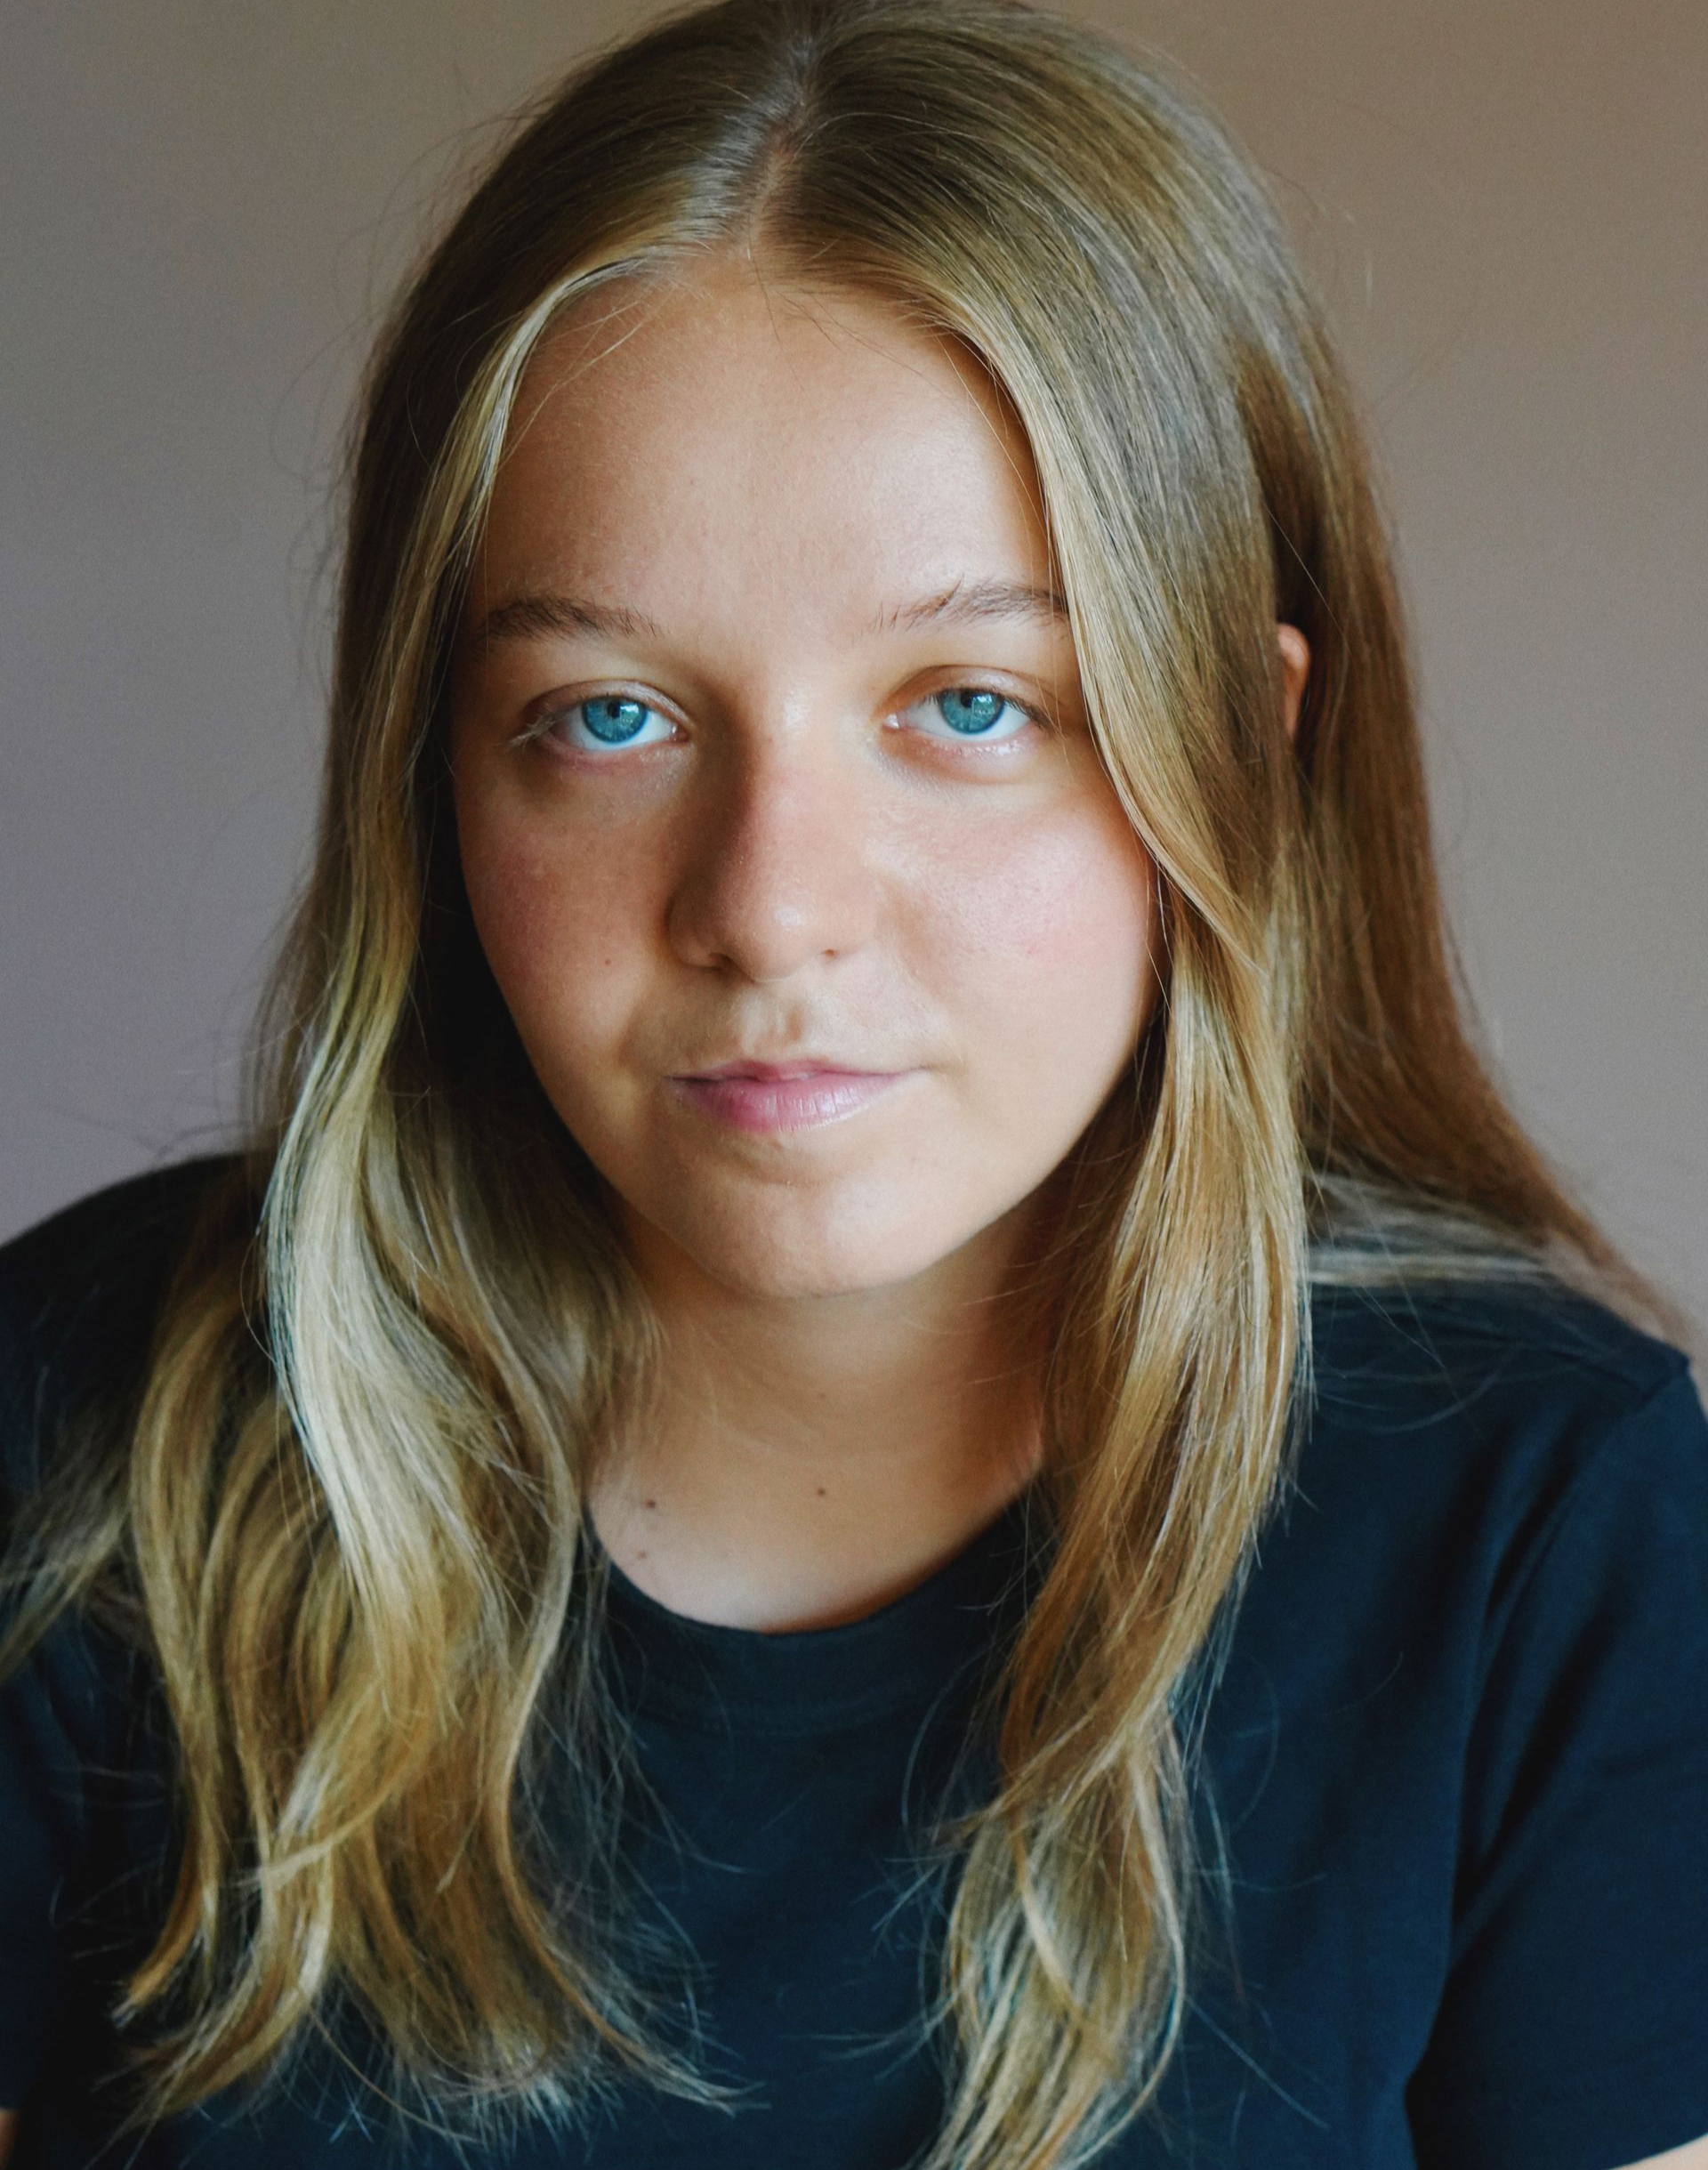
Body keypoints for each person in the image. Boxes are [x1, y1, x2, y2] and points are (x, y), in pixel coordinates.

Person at [3, 0, 1706, 2164]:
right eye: (608, 716)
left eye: (972, 704)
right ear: (436, 775)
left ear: (1242, 755)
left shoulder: (1543, 1529)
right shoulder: (87, 1441)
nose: (773, 908)